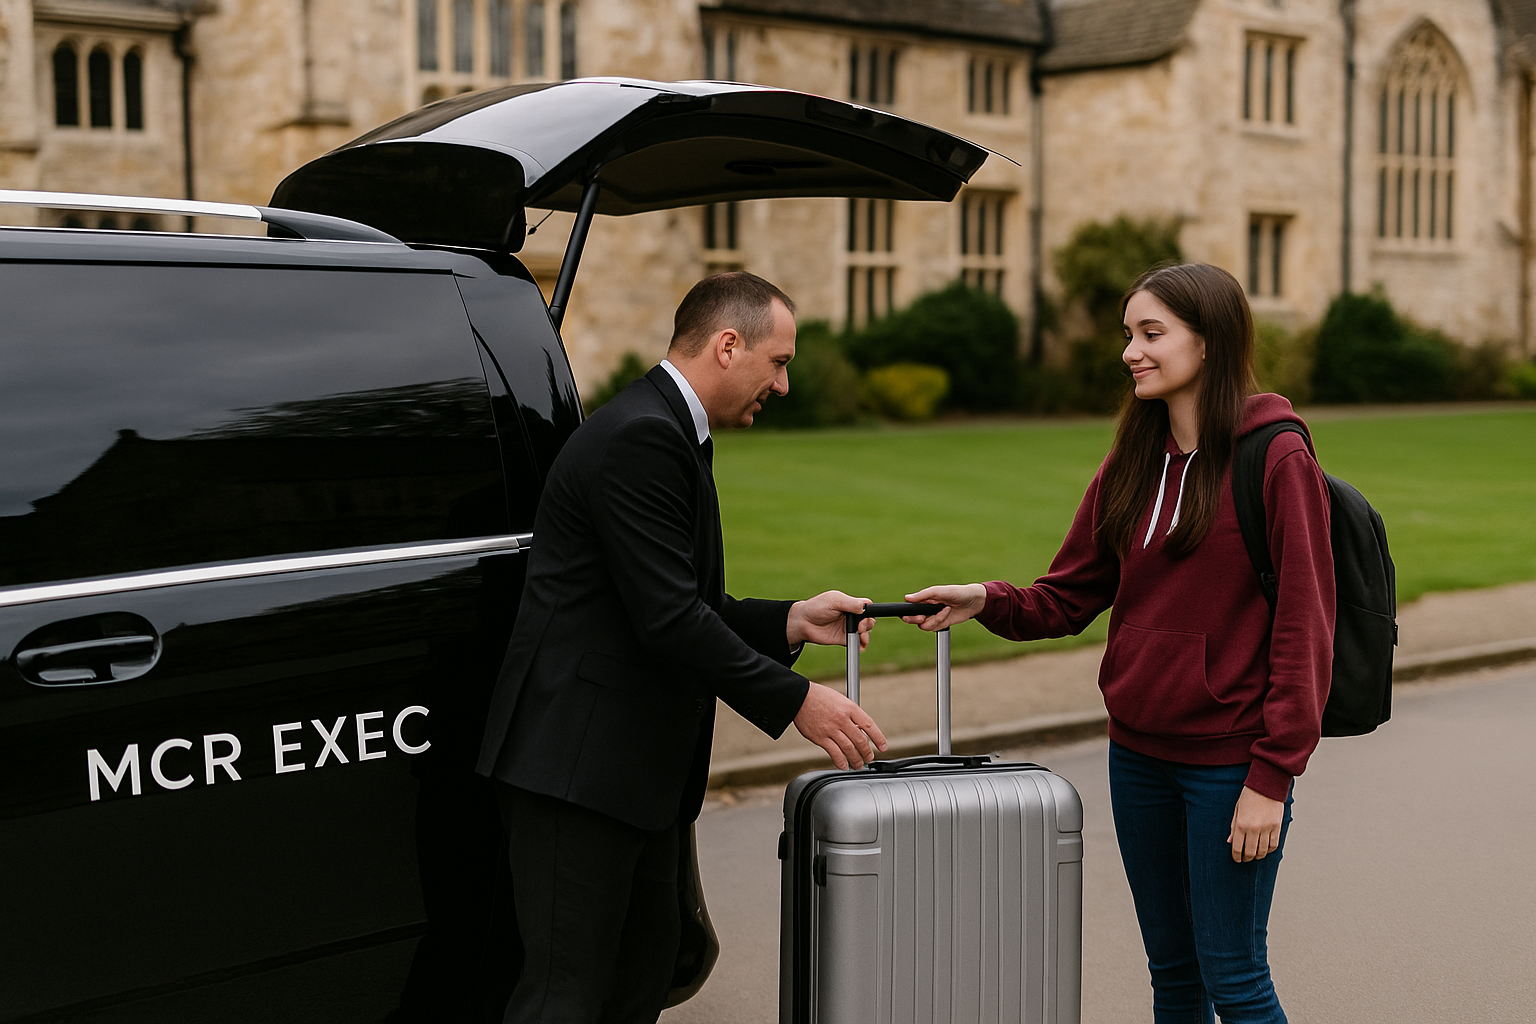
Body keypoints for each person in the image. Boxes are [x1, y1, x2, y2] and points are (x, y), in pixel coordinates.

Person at [906, 262, 1333, 1024]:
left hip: (1230, 766)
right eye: (1128, 334)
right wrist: (985, 599)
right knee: (1173, 976)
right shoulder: (1131, 461)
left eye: (1151, 333)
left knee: (1234, 976)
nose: (1130, 351)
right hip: (1136, 757)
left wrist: (1272, 777)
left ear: (1211, 342)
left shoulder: (1277, 459)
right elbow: (1068, 595)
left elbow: (1307, 627)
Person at [476, 271, 888, 1024]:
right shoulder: (642, 435)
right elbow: (668, 619)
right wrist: (797, 699)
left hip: (635, 775)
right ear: (729, 346)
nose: (785, 384)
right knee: (563, 997)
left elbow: (686, 603)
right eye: (780, 362)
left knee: (645, 974)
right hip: (578, 771)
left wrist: (792, 619)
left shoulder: (670, 428)